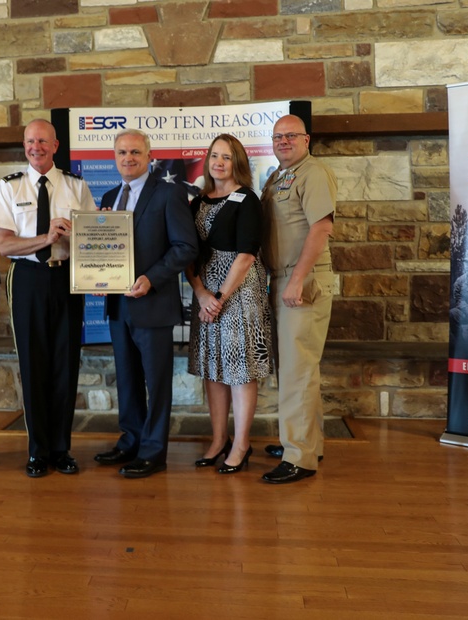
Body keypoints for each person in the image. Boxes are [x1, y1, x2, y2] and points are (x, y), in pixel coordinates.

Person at [0, 119, 95, 478]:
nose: (36, 147)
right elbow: (4, 244)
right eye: (31, 141)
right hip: (28, 279)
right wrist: (45, 239)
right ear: (25, 145)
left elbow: (93, 239)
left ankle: (61, 449)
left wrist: (79, 231)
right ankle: (37, 451)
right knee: (33, 365)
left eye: (43, 142)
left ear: (56, 145)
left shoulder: (76, 186)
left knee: (65, 363)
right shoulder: (9, 187)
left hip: (66, 278)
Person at [93, 129, 198, 479]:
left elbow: (185, 247)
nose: (128, 158)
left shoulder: (169, 194)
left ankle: (153, 451)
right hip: (118, 307)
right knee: (127, 378)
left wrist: (151, 278)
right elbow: (105, 250)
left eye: (135, 152)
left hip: (152, 304)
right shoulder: (109, 195)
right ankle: (131, 440)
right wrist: (97, 278)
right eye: (122, 152)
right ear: (114, 156)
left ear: (149, 155)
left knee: (156, 381)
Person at [185, 134, 273, 474]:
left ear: (237, 162)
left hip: (239, 292)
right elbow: (188, 251)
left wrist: (219, 296)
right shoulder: (198, 201)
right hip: (205, 292)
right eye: (214, 156)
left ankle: (242, 443)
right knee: (213, 367)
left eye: (226, 157)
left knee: (239, 367)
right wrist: (200, 292)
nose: (219, 163)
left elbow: (248, 255)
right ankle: (219, 439)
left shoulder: (247, 199)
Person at [259, 114, 335, 485]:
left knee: (296, 371)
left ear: (307, 140)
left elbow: (321, 226)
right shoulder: (278, 177)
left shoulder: (313, 173)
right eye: (277, 136)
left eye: (291, 136)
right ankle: (306, 442)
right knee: (298, 368)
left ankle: (299, 457)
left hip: (301, 280)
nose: (283, 141)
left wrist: (298, 279)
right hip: (281, 279)